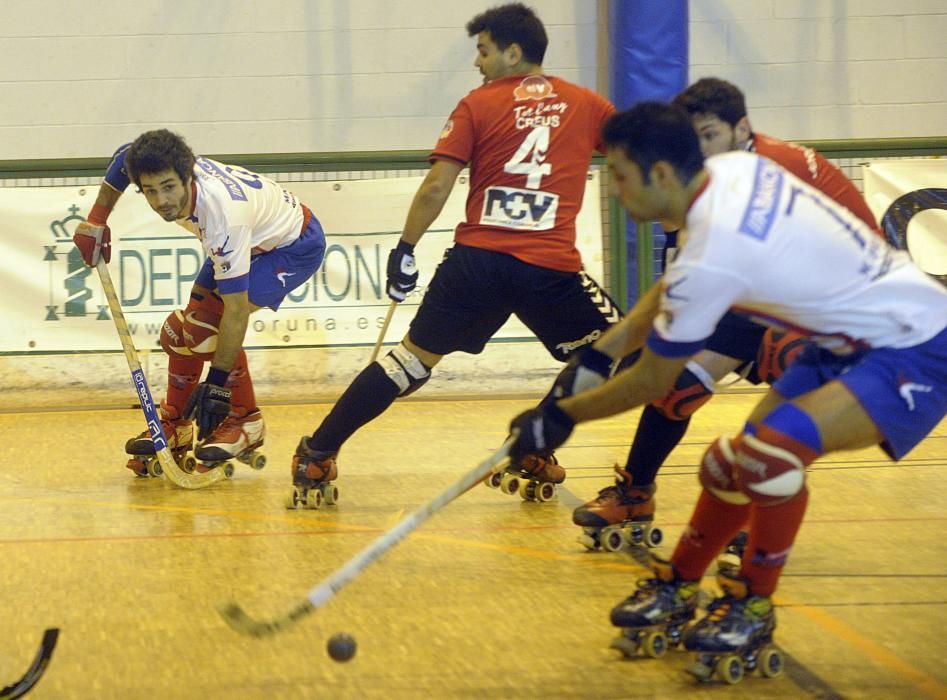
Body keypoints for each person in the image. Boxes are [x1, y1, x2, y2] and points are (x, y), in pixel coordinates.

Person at [509, 102, 947, 676]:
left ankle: (754, 603)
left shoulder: (716, 251)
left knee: (770, 453)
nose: (613, 191)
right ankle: (680, 584)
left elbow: (652, 380)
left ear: (661, 174)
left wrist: (558, 418)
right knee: (727, 465)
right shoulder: (732, 174)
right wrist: (603, 350)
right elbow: (673, 282)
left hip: (916, 343)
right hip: (843, 342)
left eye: (618, 174)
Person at [287, 3, 620, 508]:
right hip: (548, 268)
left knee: (409, 364)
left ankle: (318, 450)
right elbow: (635, 154)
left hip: (477, 263)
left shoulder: (477, 104)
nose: (477, 63)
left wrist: (405, 249)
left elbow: (437, 185)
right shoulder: (588, 104)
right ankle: (536, 446)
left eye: (483, 51)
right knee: (610, 352)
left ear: (513, 52)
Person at [571, 77, 885, 557]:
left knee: (792, 373)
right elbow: (685, 268)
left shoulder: (769, 168)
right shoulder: (709, 176)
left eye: (710, 134)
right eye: (691, 137)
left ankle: (763, 512)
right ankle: (635, 493)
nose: (700, 148)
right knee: (678, 387)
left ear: (742, 129)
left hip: (830, 299)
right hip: (762, 290)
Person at [73, 130, 326, 476]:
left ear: (188, 176)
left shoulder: (221, 217)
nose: (161, 201)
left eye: (169, 187)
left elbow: (236, 312)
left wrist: (217, 386)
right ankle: (175, 426)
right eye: (150, 191)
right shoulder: (151, 169)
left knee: (206, 325)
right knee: (182, 333)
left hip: (292, 246)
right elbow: (122, 158)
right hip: (251, 237)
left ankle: (246, 421)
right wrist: (96, 220)